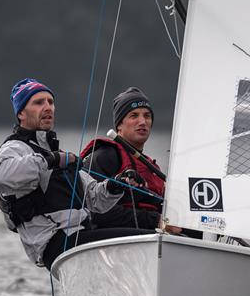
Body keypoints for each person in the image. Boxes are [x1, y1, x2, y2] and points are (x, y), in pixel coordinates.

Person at [0, 78, 149, 270]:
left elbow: (95, 199)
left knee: (148, 235)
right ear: (21, 113)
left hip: (78, 237)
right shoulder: (15, 148)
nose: (48, 107)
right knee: (145, 241)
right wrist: (50, 160)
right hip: (57, 244)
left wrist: (116, 184)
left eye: (51, 102)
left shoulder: (55, 153)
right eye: (39, 103)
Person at [81, 87, 201, 238]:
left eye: (147, 116)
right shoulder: (104, 156)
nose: (143, 121)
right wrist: (156, 221)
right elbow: (97, 213)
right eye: (134, 116)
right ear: (119, 125)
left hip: (152, 239)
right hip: (116, 240)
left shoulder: (151, 167)